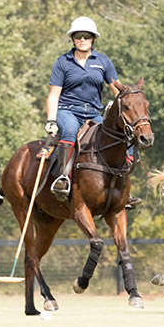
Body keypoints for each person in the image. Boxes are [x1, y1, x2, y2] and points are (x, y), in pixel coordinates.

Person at [45, 16, 123, 201]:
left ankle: (121, 185)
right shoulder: (63, 62)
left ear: (93, 39)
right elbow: (54, 95)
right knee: (70, 131)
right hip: (68, 110)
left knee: (115, 137)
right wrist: (51, 120)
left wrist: (130, 99)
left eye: (86, 36)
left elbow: (117, 89)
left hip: (93, 113)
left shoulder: (103, 61)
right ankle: (63, 178)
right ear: (72, 38)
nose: (82, 39)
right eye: (78, 36)